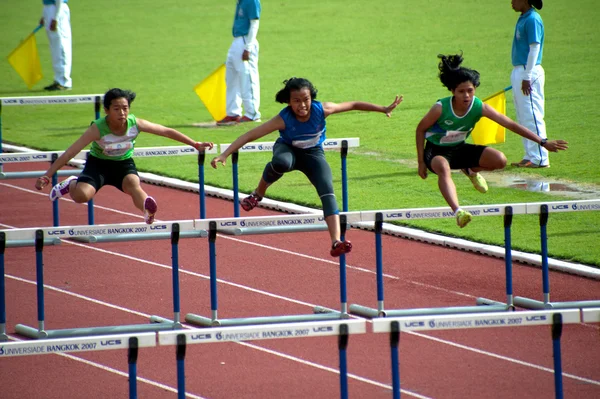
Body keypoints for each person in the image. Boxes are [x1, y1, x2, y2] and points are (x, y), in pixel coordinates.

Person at [211, 77, 402, 256]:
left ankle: (336, 241)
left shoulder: (322, 110)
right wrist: (225, 153)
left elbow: (353, 105)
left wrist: (383, 108)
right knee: (281, 162)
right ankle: (258, 194)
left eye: (306, 99)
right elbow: (250, 135)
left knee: (328, 190)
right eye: (296, 101)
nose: (302, 105)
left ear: (312, 97)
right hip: (288, 150)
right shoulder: (283, 119)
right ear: (288, 101)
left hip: (313, 154)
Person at [416, 53, 567, 228]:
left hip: (459, 148)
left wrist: (542, 142)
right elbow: (420, 129)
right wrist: (420, 162)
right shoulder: (440, 108)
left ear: (475, 89)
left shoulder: (479, 107)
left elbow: (509, 124)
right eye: (461, 92)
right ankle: (459, 212)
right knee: (443, 167)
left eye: (470, 91)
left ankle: (470, 170)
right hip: (435, 151)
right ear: (452, 91)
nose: (466, 96)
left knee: (500, 160)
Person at [34, 88, 214, 224]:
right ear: (106, 110)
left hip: (123, 164)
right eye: (117, 109)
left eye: (125, 108)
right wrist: (48, 175)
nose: (122, 113)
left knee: (133, 184)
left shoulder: (135, 124)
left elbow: (166, 131)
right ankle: (71, 184)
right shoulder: (97, 128)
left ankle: (147, 209)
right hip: (98, 165)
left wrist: (195, 144)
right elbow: (71, 152)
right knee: (81, 196)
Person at [509, 0, 548, 168]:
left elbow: (534, 48)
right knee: (523, 115)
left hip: (528, 70)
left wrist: (527, 76)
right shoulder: (524, 17)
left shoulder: (533, 19)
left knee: (532, 114)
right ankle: (530, 155)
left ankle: (540, 158)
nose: (511, 2)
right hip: (520, 70)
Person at [217, 0, 262, 126]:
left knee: (247, 78)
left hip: (246, 40)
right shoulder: (240, 1)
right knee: (231, 78)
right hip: (236, 41)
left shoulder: (252, 1)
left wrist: (248, 47)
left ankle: (252, 114)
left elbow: (254, 23)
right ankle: (233, 113)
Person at [40, 0, 72, 91]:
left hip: (57, 10)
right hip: (50, 10)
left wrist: (56, 18)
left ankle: (64, 81)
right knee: (55, 48)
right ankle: (58, 80)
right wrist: (44, 15)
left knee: (61, 46)